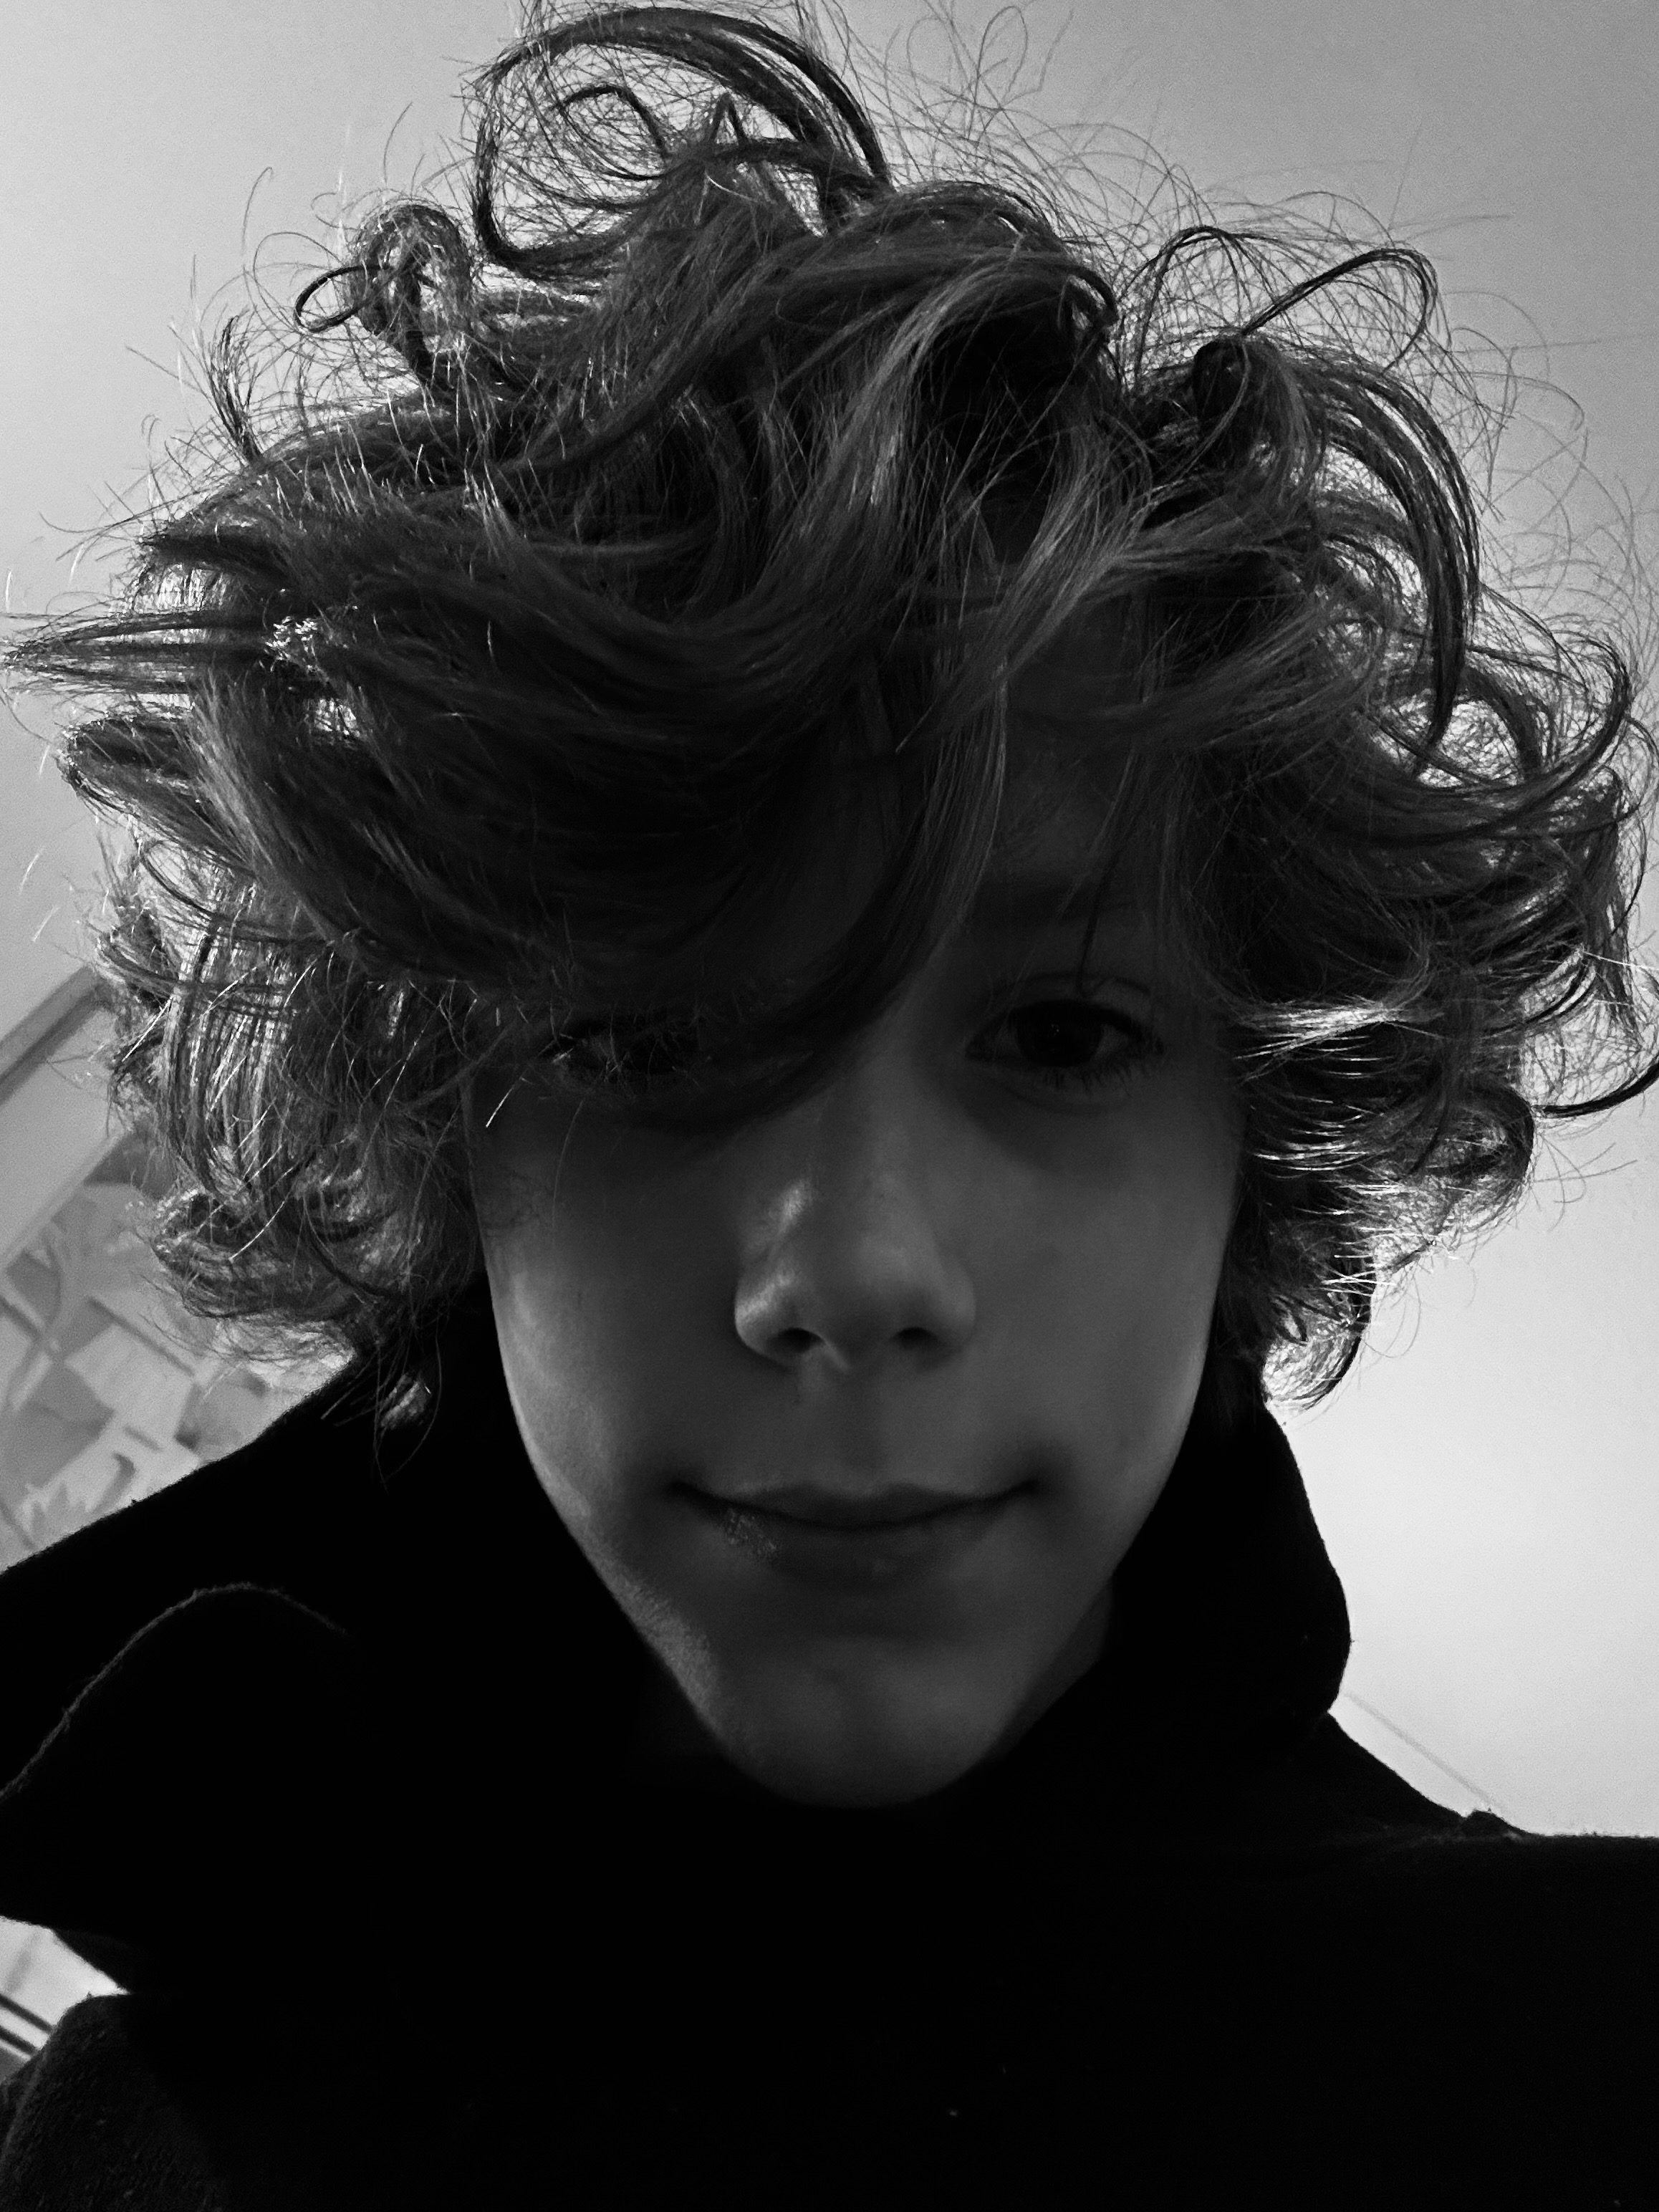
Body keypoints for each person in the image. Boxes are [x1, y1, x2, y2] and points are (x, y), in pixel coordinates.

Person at [1, 4, 1655, 2203]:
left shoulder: (1594, 2061)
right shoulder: (135, 2133)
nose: (851, 1271)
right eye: (639, 1045)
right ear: (439, 1156)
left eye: (1060, 1035)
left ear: (1246, 1143)